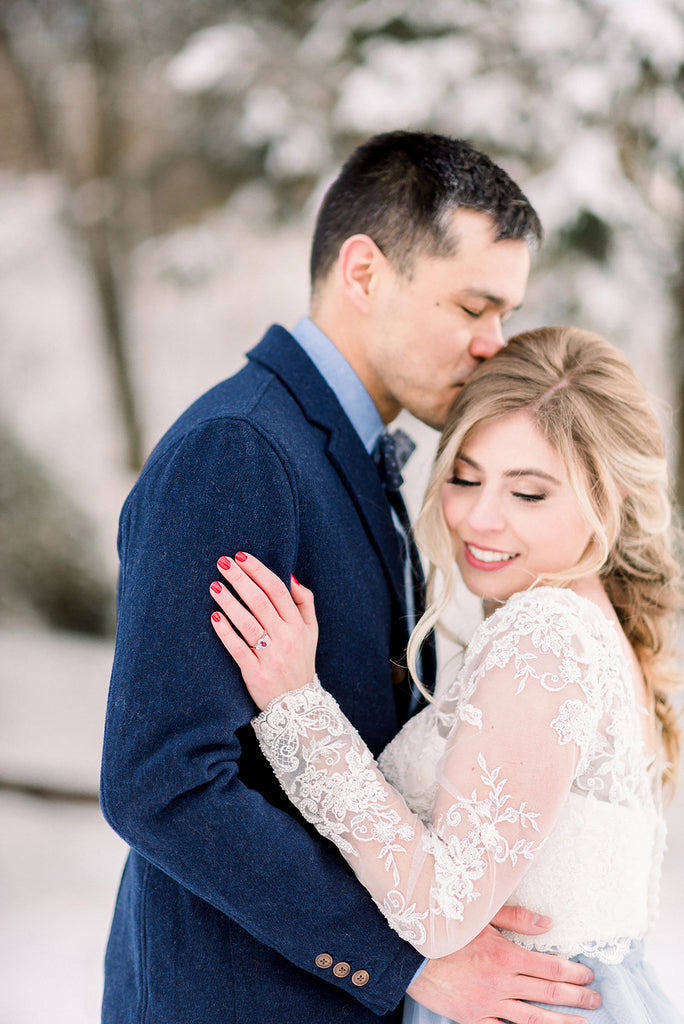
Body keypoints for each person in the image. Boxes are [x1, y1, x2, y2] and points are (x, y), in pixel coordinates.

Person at [100, 132, 599, 1023]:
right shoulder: (242, 449)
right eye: (474, 307)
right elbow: (161, 782)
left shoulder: (350, 449)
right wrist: (400, 960)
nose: (496, 345)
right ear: (364, 272)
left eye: (507, 314)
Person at [208, 325, 683, 1024]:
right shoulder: (599, 625)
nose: (479, 520)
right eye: (464, 478)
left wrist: (295, 704)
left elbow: (441, 911)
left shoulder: (547, 634)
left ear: (606, 499)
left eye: (528, 494)